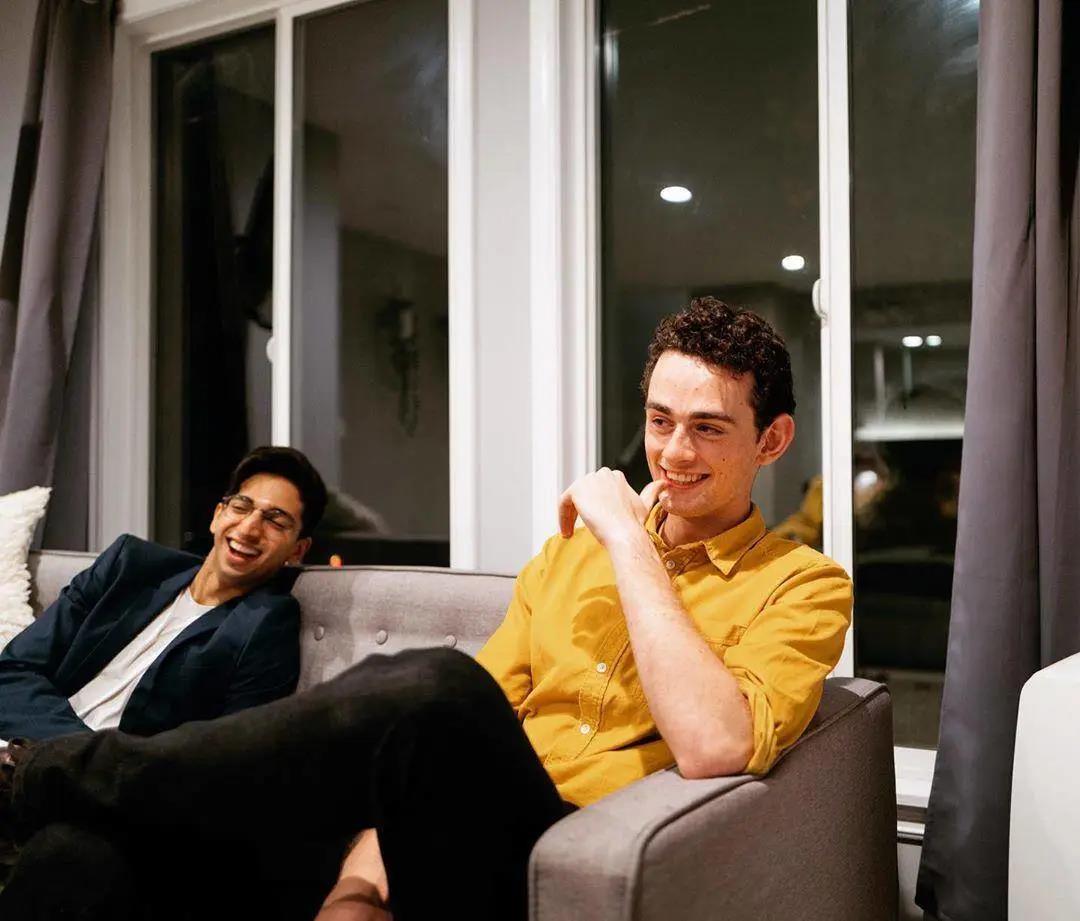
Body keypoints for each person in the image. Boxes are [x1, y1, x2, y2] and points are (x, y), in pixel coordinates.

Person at [0, 298, 852, 921]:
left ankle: (51, 769)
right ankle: (69, 789)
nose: (671, 451)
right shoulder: (565, 558)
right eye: (660, 421)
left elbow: (713, 744)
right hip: (438, 831)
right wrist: (356, 885)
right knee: (77, 857)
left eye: (708, 428)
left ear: (771, 439)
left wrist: (628, 538)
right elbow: (424, 737)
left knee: (439, 683)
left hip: (552, 842)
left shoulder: (803, 585)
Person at [0, 445, 327, 743]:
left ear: (297, 550)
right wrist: (74, 749)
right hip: (26, 746)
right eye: (241, 507)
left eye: (275, 521)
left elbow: (232, 752)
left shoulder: (266, 623)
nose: (249, 529)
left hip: (103, 780)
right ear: (217, 516)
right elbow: (12, 670)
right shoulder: (128, 566)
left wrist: (82, 762)